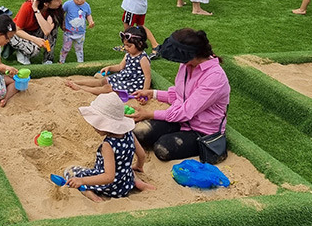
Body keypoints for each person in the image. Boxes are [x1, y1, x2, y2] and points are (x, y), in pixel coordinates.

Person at [132, 28, 230, 162]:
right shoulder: (186, 65)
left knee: (162, 148)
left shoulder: (215, 77)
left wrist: (149, 114)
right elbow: (179, 95)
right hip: (181, 120)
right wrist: (152, 93)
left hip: (202, 130)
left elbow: (186, 111)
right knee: (140, 132)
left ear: (190, 54)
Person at [64, 93, 153, 202]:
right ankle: (137, 181)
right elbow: (142, 154)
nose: (93, 126)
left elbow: (108, 177)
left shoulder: (108, 145)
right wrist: (139, 166)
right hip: (125, 181)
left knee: (70, 172)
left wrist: (81, 180)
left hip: (111, 187)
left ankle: (92, 195)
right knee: (127, 170)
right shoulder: (129, 132)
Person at [66, 26, 152, 96]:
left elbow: (147, 77)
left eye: (129, 46)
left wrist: (144, 92)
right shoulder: (128, 54)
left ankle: (82, 89)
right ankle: (76, 82)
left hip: (133, 83)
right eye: (125, 45)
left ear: (140, 44)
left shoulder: (143, 58)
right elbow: (120, 67)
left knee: (107, 88)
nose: (126, 48)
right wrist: (109, 68)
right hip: (124, 77)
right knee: (103, 81)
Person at [8, 0, 63, 65]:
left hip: (34, 31)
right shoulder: (27, 7)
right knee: (34, 50)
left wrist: (36, 10)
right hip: (16, 33)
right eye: (57, 0)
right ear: (46, 3)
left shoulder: (54, 9)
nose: (60, 1)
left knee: (53, 28)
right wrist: (34, 40)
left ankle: (48, 59)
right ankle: (22, 51)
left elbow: (47, 31)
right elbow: (17, 30)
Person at [59, 0, 95, 64]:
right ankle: (61, 61)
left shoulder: (86, 6)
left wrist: (90, 21)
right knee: (66, 48)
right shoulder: (68, 4)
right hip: (68, 32)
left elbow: (88, 15)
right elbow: (61, 14)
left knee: (79, 49)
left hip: (81, 33)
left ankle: (80, 62)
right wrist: (62, 23)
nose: (80, 1)